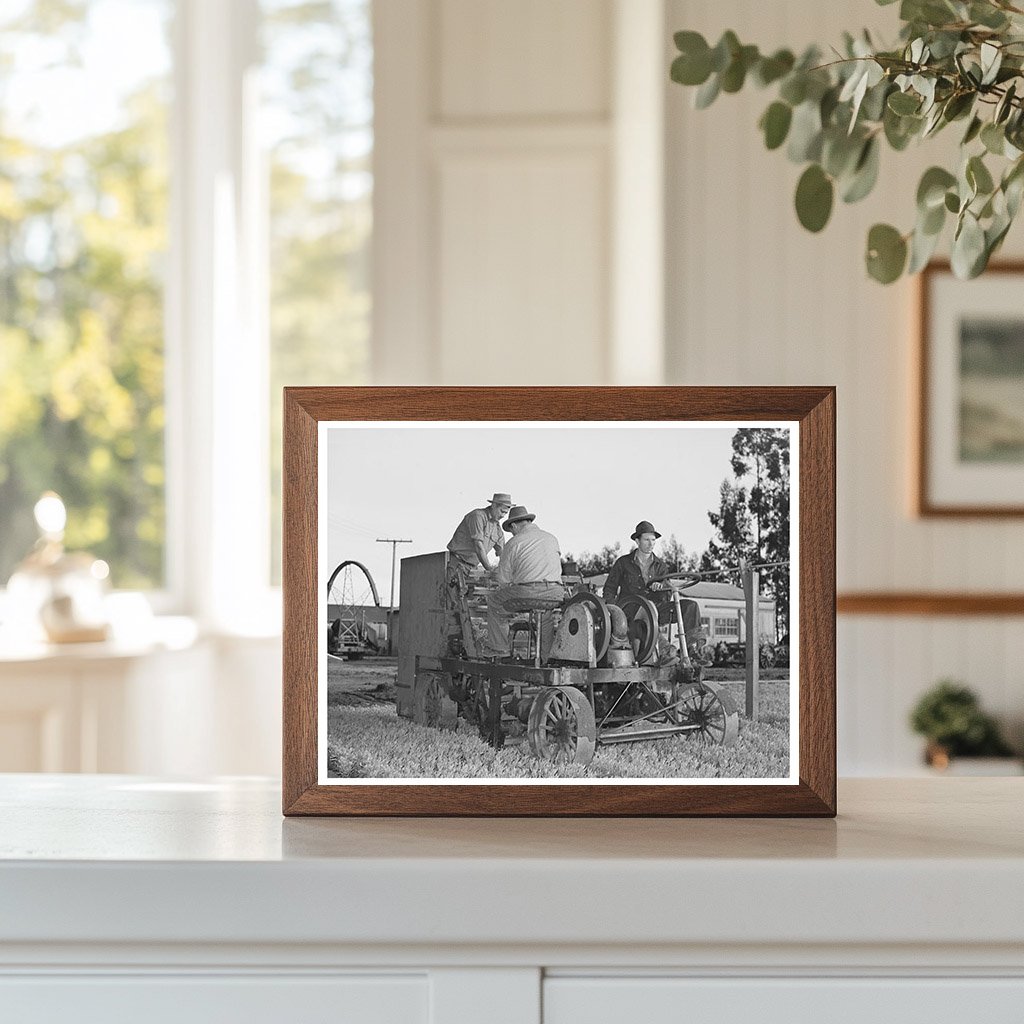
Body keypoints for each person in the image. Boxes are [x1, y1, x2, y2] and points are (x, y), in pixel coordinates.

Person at [603, 521, 699, 665]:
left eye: (653, 540)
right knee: (649, 609)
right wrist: (614, 613)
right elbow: (609, 589)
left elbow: (667, 595)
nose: (651, 544)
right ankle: (665, 652)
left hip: (655, 608)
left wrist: (660, 588)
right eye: (646, 540)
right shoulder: (623, 563)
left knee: (690, 606)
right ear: (637, 541)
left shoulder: (660, 566)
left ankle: (692, 650)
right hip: (630, 611)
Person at [484, 506, 565, 660]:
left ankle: (499, 648)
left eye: (511, 530)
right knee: (545, 618)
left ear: (514, 525)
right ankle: (546, 658)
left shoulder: (514, 542)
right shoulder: (551, 538)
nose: (512, 533)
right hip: (555, 592)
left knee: (494, 602)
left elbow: (504, 580)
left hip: (530, 592)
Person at [446, 493, 513, 571]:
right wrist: (490, 569)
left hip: (472, 567)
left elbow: (502, 552)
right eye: (502, 511)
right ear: (494, 506)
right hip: (456, 564)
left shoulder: (497, 529)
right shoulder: (477, 516)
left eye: (505, 513)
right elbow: (478, 545)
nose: (503, 516)